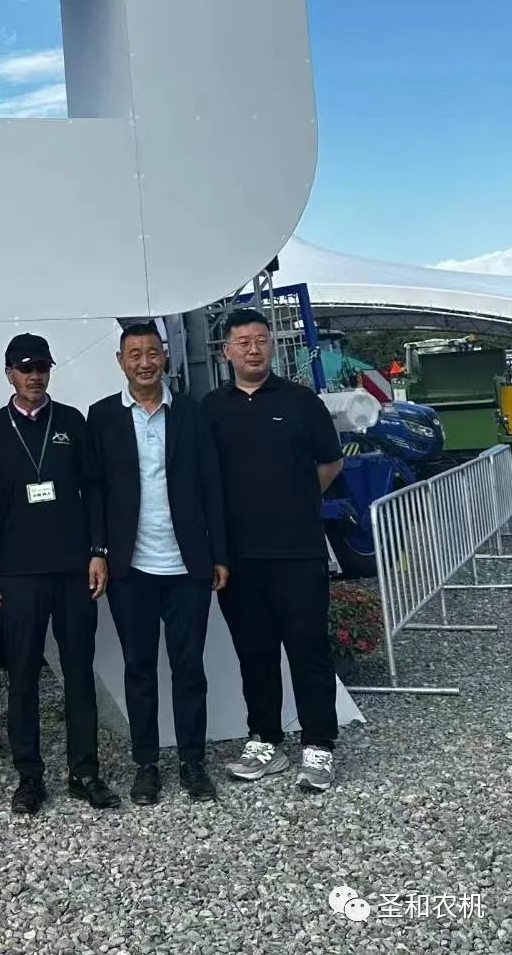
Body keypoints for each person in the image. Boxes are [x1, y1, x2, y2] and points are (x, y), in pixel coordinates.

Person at [0, 333, 119, 816]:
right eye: (26, 368)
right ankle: (29, 776)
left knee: (79, 672)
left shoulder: (72, 421)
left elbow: (94, 489)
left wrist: (98, 551)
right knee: (23, 675)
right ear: (9, 373)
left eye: (42, 368)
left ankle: (85, 771)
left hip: (73, 567)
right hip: (19, 571)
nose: (35, 376)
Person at [201, 308, 345, 793]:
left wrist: (296, 502)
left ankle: (319, 744)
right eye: (242, 342)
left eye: (261, 340)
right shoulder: (210, 409)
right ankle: (265, 739)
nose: (253, 349)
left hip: (298, 553)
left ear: (272, 346)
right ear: (227, 351)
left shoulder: (302, 402)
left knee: (308, 650)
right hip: (240, 558)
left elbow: (330, 463)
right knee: (254, 654)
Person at [87, 322, 229, 804]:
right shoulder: (102, 417)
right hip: (131, 568)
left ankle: (193, 762)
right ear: (121, 361)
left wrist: (219, 554)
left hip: (187, 565)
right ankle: (146, 763)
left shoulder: (191, 413)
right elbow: (95, 490)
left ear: (165, 357)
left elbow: (212, 486)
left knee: (189, 668)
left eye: (152, 353)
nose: (144, 362)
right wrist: (98, 551)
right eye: (135, 354)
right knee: (139, 667)